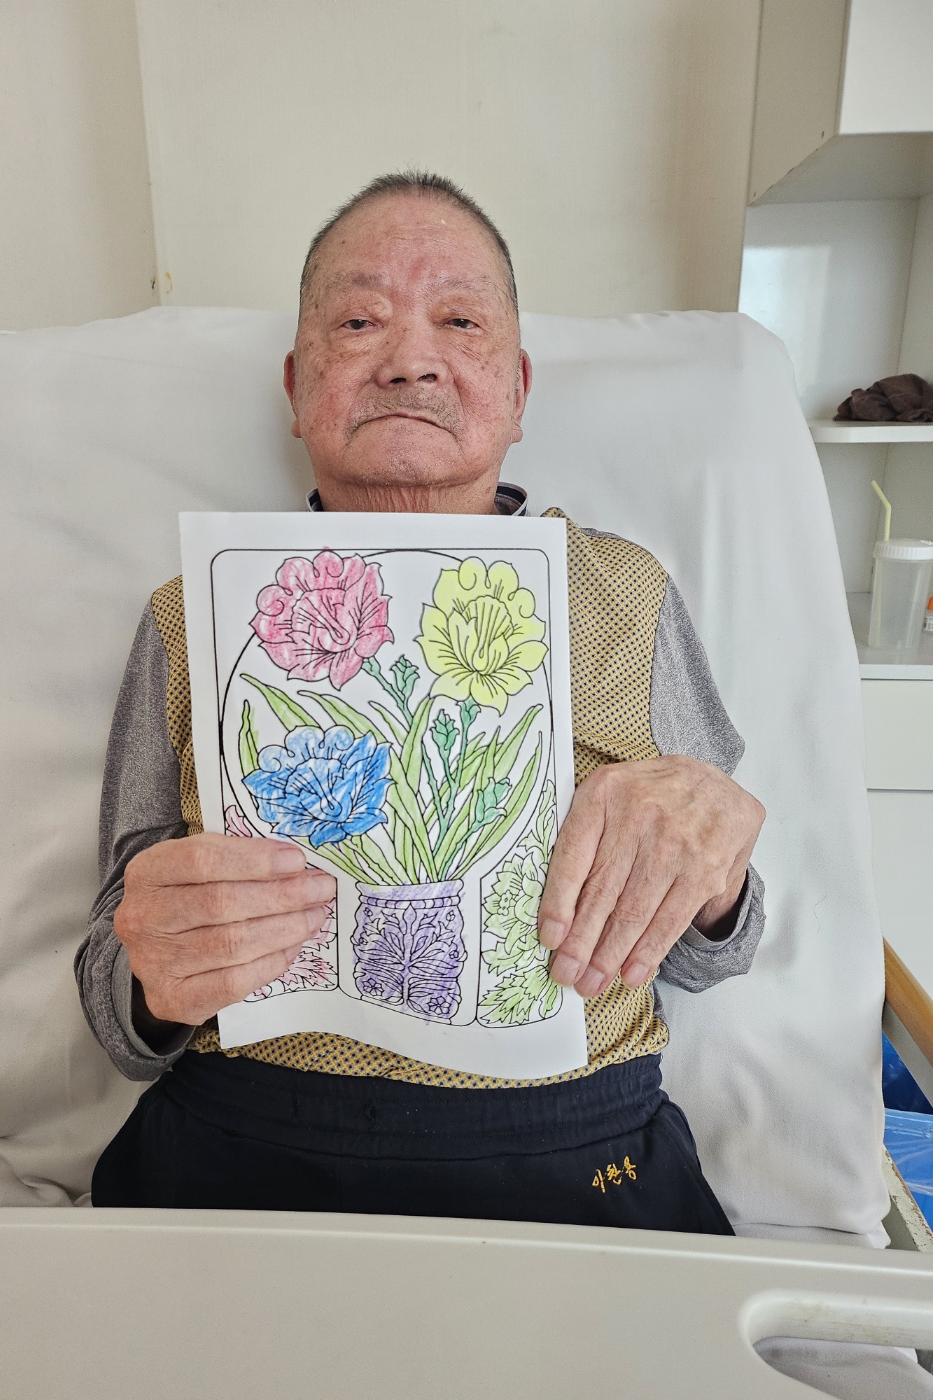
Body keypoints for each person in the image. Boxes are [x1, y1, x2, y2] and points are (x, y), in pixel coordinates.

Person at [77, 171, 766, 1230]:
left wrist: (713, 875)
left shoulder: (626, 591)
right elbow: (113, 997)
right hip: (246, 1139)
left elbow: (713, 955)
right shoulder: (190, 614)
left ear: (518, 391)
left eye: (460, 321)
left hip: (573, 1146)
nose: (409, 358)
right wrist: (150, 972)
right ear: (297, 387)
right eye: (359, 322)